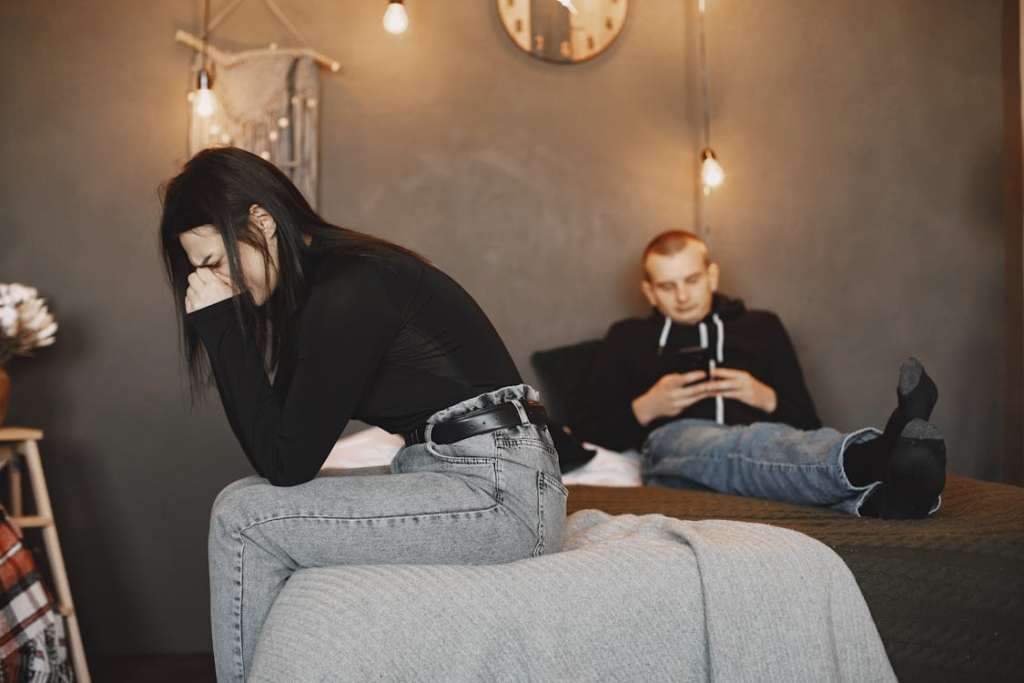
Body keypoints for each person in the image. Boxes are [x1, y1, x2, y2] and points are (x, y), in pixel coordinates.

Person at [158, 147, 566, 682]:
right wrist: (226, 326)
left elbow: (285, 464)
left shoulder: (348, 290)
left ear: (260, 220)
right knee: (242, 504)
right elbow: (277, 444)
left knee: (245, 518)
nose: (214, 282)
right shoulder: (320, 294)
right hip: (458, 473)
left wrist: (221, 329)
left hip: (502, 495)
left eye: (213, 263)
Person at [573, 229, 946, 519]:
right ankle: (876, 453)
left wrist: (765, 397)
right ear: (649, 292)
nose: (682, 296)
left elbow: (807, 422)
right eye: (667, 287)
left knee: (769, 452)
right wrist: (646, 407)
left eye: (692, 280)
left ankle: (883, 503)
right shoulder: (627, 336)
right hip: (673, 447)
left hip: (773, 441)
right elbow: (585, 434)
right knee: (743, 448)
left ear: (712, 275)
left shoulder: (761, 327)